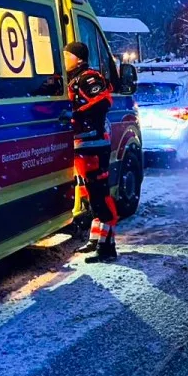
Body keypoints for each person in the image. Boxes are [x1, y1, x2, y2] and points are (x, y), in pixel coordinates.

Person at [64, 41, 119, 264]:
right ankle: (96, 239)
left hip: (94, 145)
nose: (64, 59)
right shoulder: (72, 79)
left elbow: (101, 102)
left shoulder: (89, 78)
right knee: (90, 195)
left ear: (78, 58)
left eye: (67, 55)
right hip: (82, 146)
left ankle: (108, 247)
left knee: (100, 195)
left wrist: (75, 116)